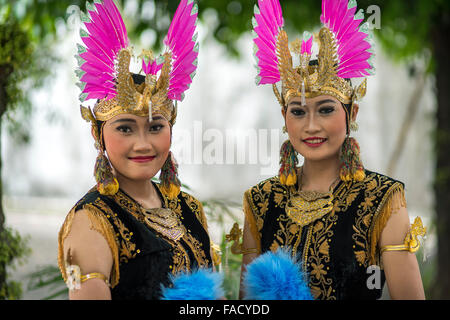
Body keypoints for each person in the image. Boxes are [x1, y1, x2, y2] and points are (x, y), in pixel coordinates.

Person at [235, 0, 426, 300]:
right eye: (298, 112)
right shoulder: (260, 202)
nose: (311, 126)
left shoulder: (382, 200)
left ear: (352, 115)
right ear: (284, 117)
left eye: (325, 110)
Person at [57, 0, 218, 300]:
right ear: (98, 133)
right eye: (125, 128)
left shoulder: (190, 208)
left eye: (155, 127)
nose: (143, 144)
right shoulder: (91, 221)